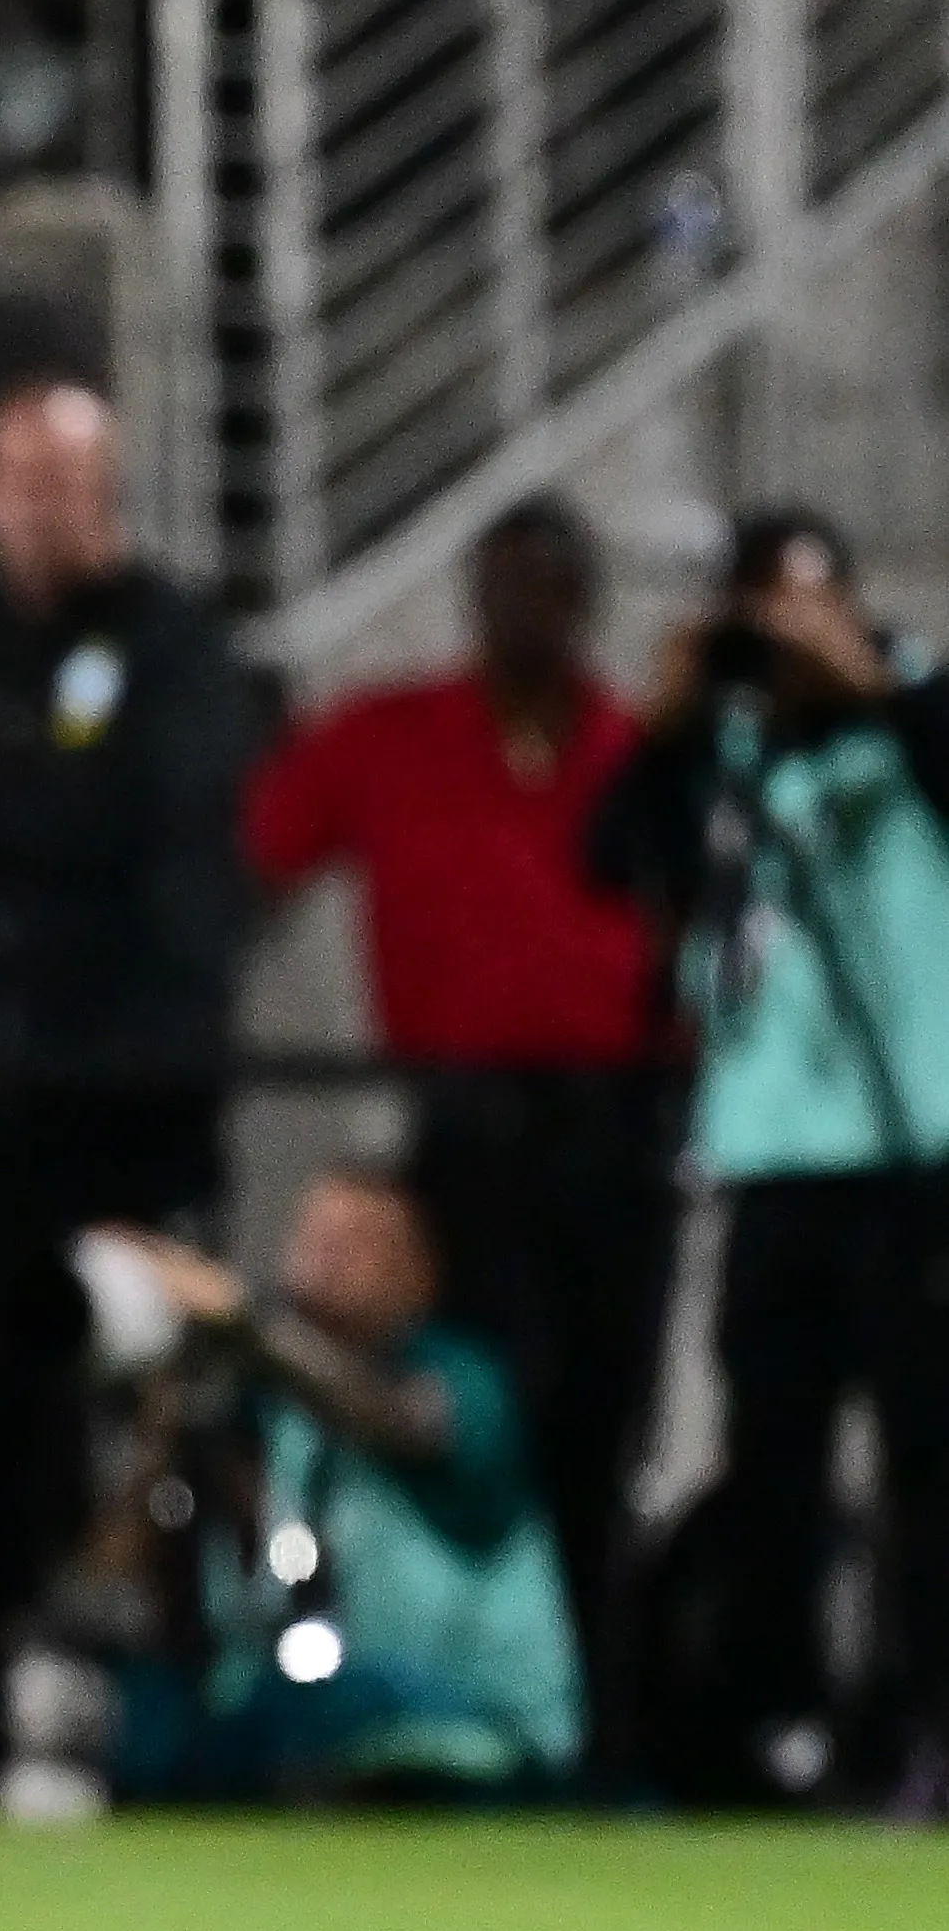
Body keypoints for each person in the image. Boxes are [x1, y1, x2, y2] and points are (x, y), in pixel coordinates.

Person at [245, 499, 662, 1740]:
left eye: (540, 587)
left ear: (582, 605)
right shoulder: (392, 737)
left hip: (611, 1124)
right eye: (496, 586)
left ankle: (590, 1708)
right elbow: (261, 839)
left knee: (600, 1422)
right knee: (471, 1410)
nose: (514, 611)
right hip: (465, 1125)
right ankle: (455, 1693)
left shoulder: (633, 758)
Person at [0, 378, 249, 1792]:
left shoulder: (170, 647)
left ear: (109, 492)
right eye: (15, 479)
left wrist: (4, 813)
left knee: (135, 1429)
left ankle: (155, 1735)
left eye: (66, 479)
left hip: (126, 1117)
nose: (39, 508)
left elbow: (154, 841)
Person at [588, 511, 949, 1808]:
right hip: (765, 1159)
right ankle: (776, 1725)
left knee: (925, 1462)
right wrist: (671, 715)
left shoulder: (911, 718)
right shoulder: (725, 754)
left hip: (908, 1155)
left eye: (808, 604)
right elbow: (606, 857)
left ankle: (926, 1724)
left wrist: (875, 682)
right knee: (770, 1467)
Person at [23, 1173, 583, 1806]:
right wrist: (168, 1407)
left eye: (353, 1243)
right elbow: (110, 1580)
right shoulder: (261, 1403)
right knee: (142, 1715)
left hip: (480, 1727)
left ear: (420, 1274)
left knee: (328, 1704)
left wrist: (238, 1317)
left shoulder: (461, 1376)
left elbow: (386, 1417)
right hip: (314, 1711)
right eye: (312, 1237)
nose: (324, 1260)